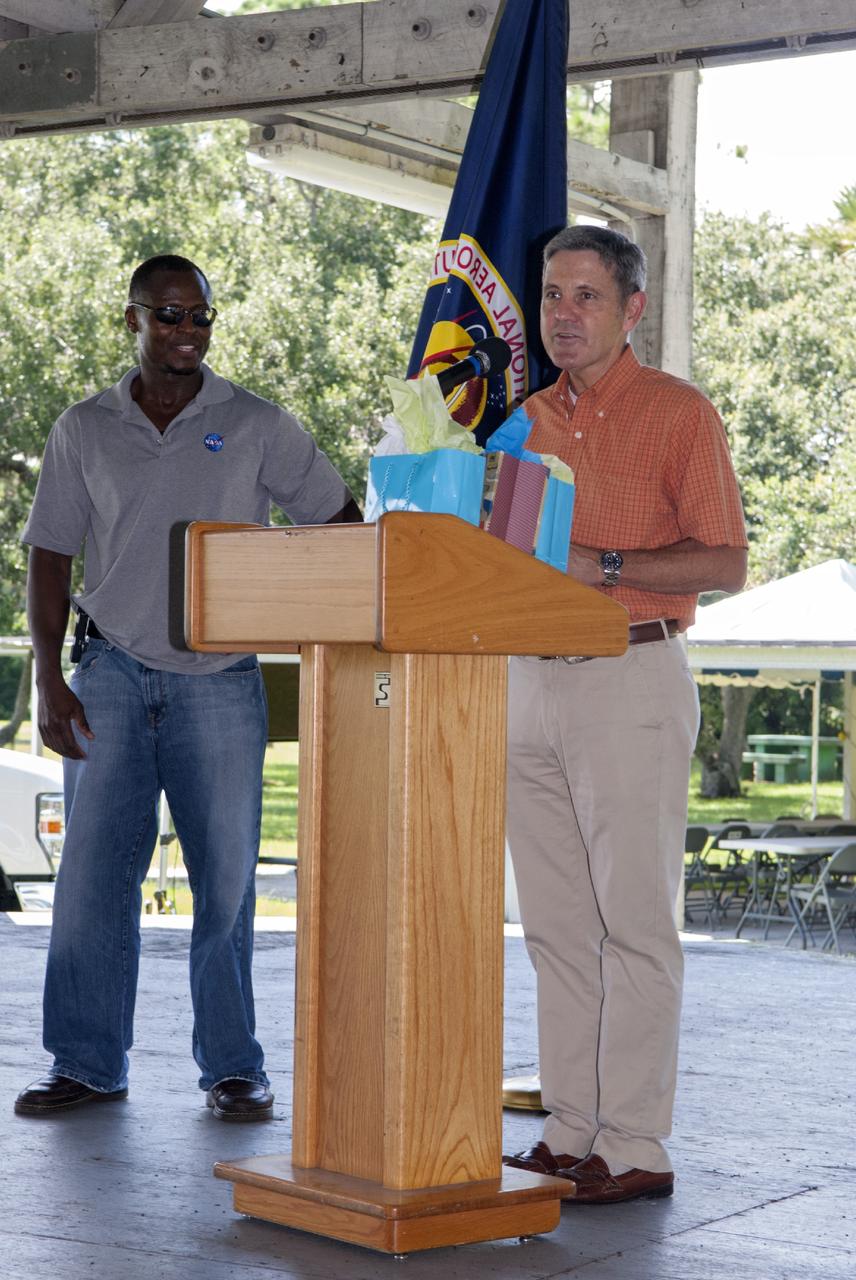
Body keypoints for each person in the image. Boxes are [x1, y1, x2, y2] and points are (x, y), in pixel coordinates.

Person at [15, 254, 361, 1121]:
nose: (187, 334)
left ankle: (234, 1067)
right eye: (168, 317)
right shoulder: (82, 429)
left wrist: (285, 602)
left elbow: (341, 524)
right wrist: (48, 678)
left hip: (220, 684)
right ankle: (86, 1063)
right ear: (129, 321)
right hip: (111, 677)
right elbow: (50, 556)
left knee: (229, 883)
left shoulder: (255, 424)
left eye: (201, 317)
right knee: (93, 879)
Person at [502, 226, 747, 1202]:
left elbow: (724, 563)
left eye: (585, 297)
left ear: (631, 308)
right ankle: (570, 1129)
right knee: (556, 926)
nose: (563, 313)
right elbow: (515, 554)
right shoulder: (523, 422)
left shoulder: (678, 414)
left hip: (631, 673)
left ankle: (635, 1144)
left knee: (632, 923)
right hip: (527, 680)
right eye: (553, 295)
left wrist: (601, 565)